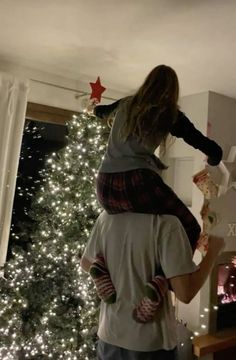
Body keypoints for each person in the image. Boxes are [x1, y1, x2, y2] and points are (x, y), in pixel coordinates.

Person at [89, 65, 223, 321]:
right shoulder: (169, 113)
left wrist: (93, 108)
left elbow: (102, 111)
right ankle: (160, 283)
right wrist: (216, 155)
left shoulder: (127, 103)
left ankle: (101, 267)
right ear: (171, 92)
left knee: (127, 232)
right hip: (138, 182)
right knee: (190, 228)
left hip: (104, 186)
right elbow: (199, 141)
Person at [81, 211, 225, 360]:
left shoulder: (106, 217)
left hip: (109, 338)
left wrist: (109, 276)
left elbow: (85, 263)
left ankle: (157, 283)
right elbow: (185, 293)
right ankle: (159, 283)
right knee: (161, 278)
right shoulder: (167, 223)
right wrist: (213, 251)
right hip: (149, 345)